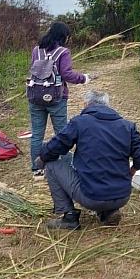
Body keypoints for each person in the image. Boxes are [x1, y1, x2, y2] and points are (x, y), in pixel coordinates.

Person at [35, 90, 140, 230]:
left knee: (52, 165)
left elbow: (55, 147)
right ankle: (109, 211)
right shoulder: (127, 126)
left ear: (87, 104)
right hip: (122, 196)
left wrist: (42, 158)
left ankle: (69, 216)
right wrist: (132, 170)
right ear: (108, 106)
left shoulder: (80, 122)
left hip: (92, 197)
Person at [28, 22, 93, 180]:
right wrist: (84, 78)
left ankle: (37, 170)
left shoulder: (37, 50)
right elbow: (67, 74)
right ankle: (65, 166)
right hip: (56, 98)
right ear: (64, 36)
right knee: (62, 133)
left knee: (37, 134)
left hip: (35, 96)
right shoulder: (63, 52)